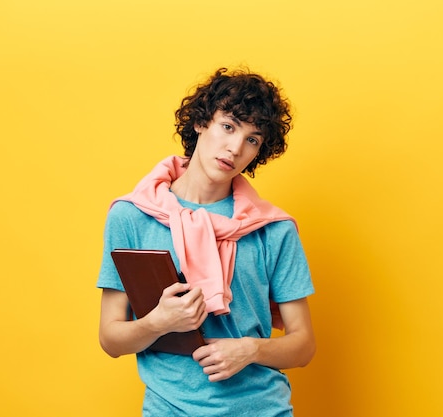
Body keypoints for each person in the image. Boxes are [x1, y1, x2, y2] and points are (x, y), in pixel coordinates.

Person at [97, 67, 316, 416]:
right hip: (169, 408)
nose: (235, 148)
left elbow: (303, 345)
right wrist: (158, 322)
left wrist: (251, 350)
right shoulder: (132, 216)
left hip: (261, 408)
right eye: (228, 127)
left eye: (252, 140)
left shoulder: (273, 229)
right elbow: (110, 339)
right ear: (201, 122)